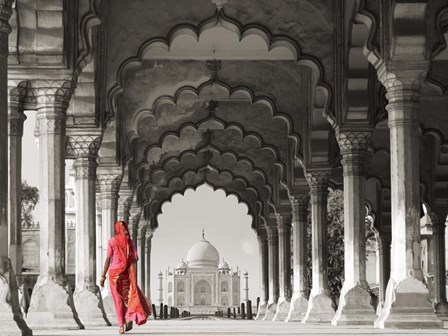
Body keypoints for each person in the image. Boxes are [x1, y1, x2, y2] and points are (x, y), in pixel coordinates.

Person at [100, 220, 152, 334]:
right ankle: (129, 318)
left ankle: (121, 325)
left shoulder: (112, 242)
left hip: (114, 275)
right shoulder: (131, 242)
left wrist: (103, 275)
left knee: (118, 301)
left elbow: (108, 259)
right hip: (126, 275)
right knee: (129, 298)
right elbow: (135, 258)